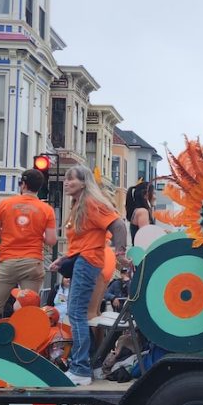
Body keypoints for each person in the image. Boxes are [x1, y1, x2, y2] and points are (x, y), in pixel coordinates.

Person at [49, 165, 129, 386]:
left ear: (84, 183)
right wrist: (63, 260)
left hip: (88, 262)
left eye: (71, 179)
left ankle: (81, 369)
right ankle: (87, 365)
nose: (66, 182)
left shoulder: (92, 203)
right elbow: (81, 242)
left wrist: (120, 254)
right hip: (83, 261)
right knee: (79, 314)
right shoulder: (79, 205)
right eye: (65, 179)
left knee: (76, 313)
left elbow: (119, 226)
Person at [0, 169, 57, 334]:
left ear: (23, 184)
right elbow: (51, 240)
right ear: (39, 187)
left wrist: (9, 233)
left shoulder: (5, 204)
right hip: (32, 262)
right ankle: (26, 342)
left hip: (8, 262)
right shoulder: (46, 209)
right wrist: (36, 235)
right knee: (29, 307)